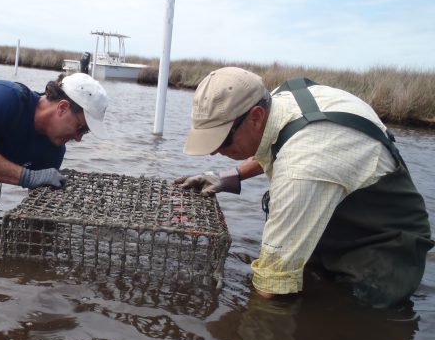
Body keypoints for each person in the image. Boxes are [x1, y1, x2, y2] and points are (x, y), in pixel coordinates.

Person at [176, 67, 433, 307]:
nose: (213, 151)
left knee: (343, 321)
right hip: (336, 207)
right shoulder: (278, 102)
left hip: (383, 247)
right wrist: (230, 175)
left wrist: (237, 322)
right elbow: (273, 141)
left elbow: (271, 285)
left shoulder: (303, 168)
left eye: (222, 140)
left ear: (256, 117)